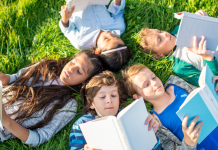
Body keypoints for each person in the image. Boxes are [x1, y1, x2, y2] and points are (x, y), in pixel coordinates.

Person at [0, 50, 103, 147]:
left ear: (85, 82)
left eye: (79, 71)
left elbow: (38, 138)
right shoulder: (45, 65)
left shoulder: (68, 105)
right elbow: (16, 78)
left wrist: (6, 121)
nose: (71, 69)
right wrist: (3, 77)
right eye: (73, 62)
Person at [121, 64, 218, 150]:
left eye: (153, 77)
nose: (154, 83)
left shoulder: (176, 83)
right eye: (146, 84)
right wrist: (189, 143)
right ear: (138, 97)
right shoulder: (155, 123)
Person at [69, 71, 161, 150]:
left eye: (113, 95)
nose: (109, 100)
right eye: (102, 97)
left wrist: (151, 136)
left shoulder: (129, 115)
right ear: (91, 104)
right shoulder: (82, 124)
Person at [138, 10, 218, 86]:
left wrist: (203, 19)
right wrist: (208, 58)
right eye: (160, 39)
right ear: (159, 55)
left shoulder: (179, 30)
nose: (164, 34)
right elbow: (210, 83)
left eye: (160, 31)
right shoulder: (180, 67)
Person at [59, 0, 131, 72]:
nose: (109, 34)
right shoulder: (119, 27)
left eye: (106, 39)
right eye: (116, 37)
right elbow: (118, 11)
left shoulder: (82, 41)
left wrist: (65, 19)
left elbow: (67, 30)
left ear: (97, 51)